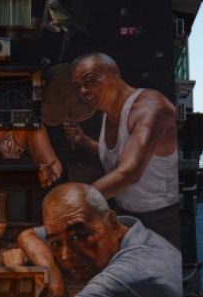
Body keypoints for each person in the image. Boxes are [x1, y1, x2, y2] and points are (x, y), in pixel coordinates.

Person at [10, 182, 184, 297]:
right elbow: (28, 235)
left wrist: (21, 283)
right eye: (56, 243)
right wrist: (54, 280)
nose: (65, 256)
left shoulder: (122, 278)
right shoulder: (128, 231)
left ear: (112, 223)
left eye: (78, 237)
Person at [63, 53, 179, 246]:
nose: (83, 91)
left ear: (113, 75)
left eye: (89, 82)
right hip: (127, 217)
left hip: (162, 220)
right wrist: (84, 141)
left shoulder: (150, 108)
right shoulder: (109, 112)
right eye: (78, 87)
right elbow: (120, 156)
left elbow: (129, 173)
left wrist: (78, 201)